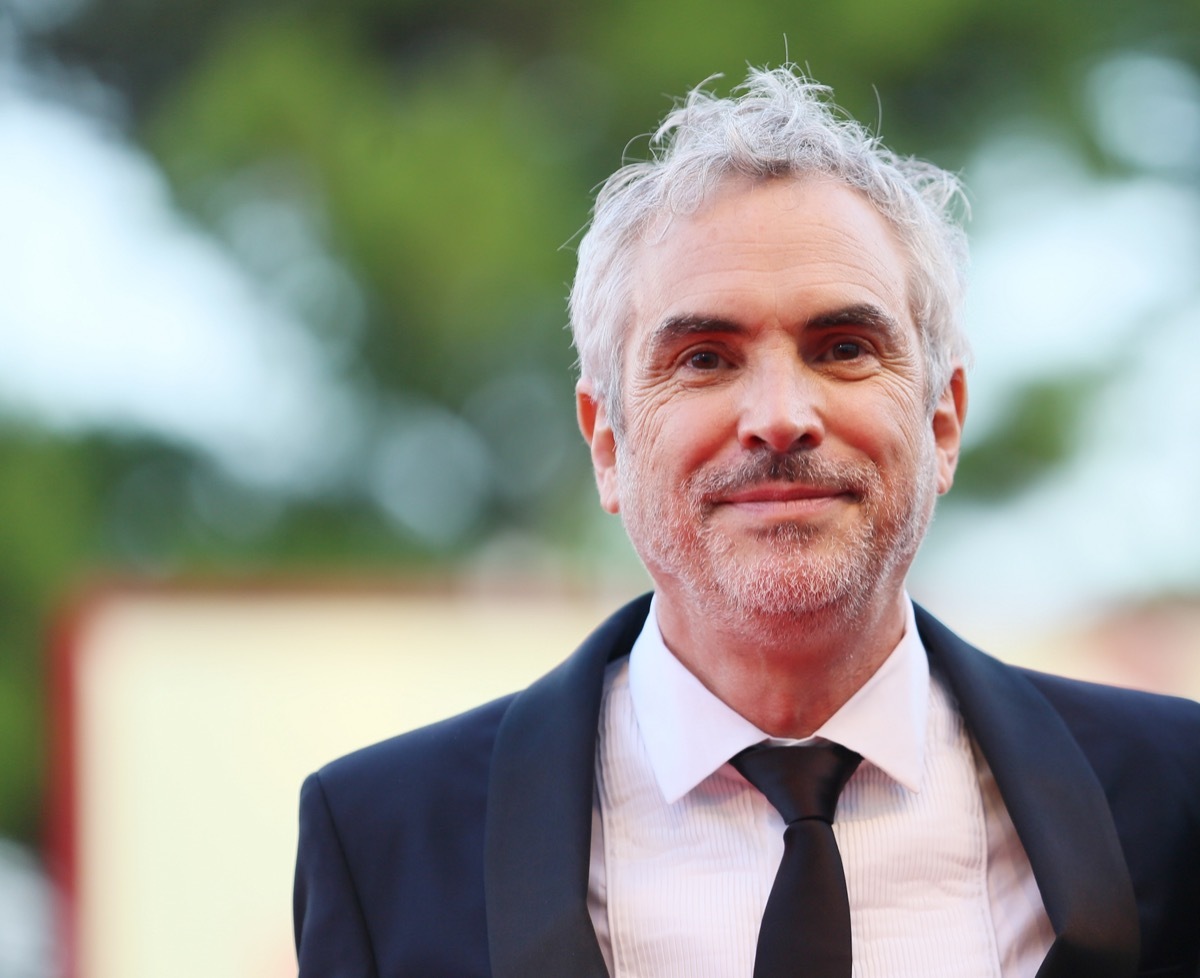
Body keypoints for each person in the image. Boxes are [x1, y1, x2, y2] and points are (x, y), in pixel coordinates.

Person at [293, 66, 1200, 978]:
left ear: (943, 420)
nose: (778, 415)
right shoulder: (385, 838)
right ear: (607, 443)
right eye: (704, 358)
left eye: (843, 348)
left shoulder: (1176, 795)